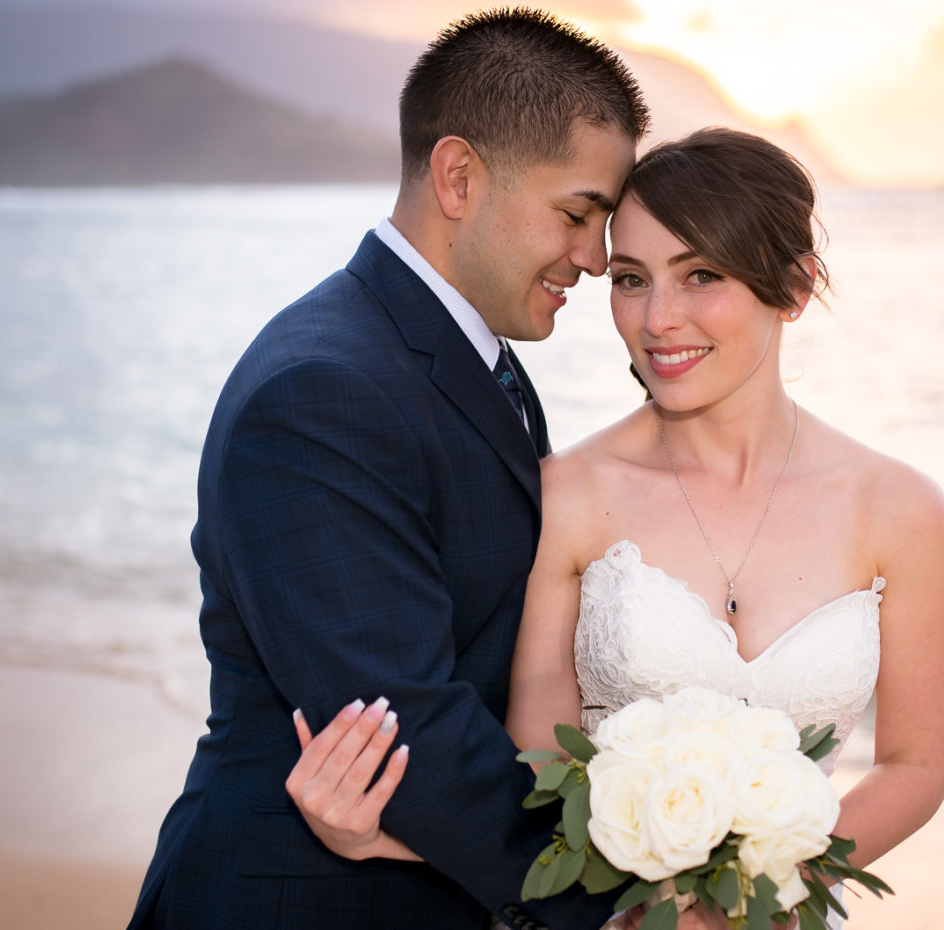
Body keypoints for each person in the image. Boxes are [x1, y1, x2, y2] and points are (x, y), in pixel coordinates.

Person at [289, 128, 944, 929]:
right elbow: (536, 768)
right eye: (632, 279)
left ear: (795, 287)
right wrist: (380, 836)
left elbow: (913, 767)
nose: (658, 319)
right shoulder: (566, 494)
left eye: (701, 275)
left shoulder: (902, 509)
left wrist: (760, 889)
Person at [124, 9, 649, 930]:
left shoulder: (459, 352)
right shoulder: (323, 390)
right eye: (577, 215)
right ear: (458, 177)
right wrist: (617, 908)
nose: (595, 260)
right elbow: (404, 722)